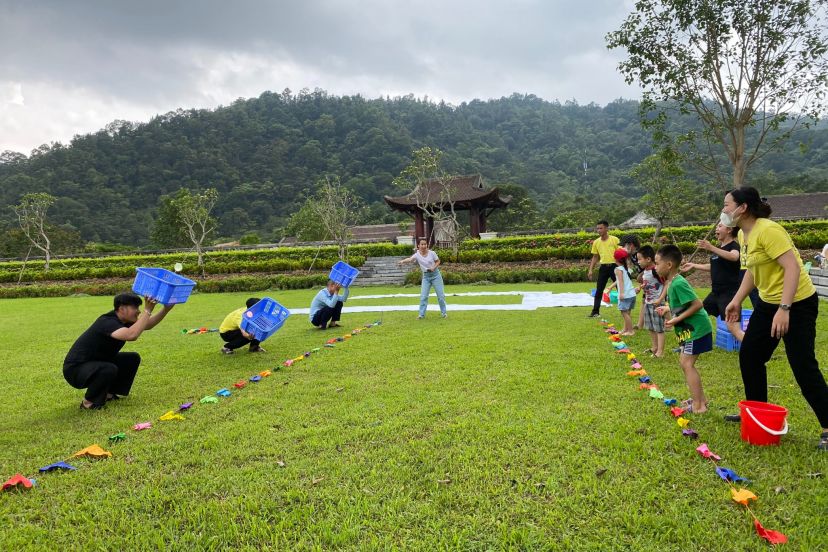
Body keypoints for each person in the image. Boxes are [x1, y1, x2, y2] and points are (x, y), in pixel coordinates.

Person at [721, 187, 828, 450]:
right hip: (769, 304)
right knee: (750, 355)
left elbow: (792, 267)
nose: (723, 211)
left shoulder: (768, 230)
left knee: (802, 365)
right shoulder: (746, 235)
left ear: (742, 207)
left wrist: (785, 308)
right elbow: (751, 272)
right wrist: (736, 299)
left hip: (797, 303)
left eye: (726, 205)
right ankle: (756, 413)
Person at [63, 292, 174, 410]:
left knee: (131, 358)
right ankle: (89, 403)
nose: (138, 311)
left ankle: (109, 394)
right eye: (135, 307)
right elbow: (132, 335)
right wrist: (148, 310)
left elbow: (147, 325)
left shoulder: (124, 321)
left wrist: (165, 310)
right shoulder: (107, 322)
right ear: (121, 309)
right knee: (108, 368)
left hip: (94, 363)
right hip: (75, 370)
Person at [655, 244, 713, 414]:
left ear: (669, 265)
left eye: (657, 263)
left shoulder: (678, 283)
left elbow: (697, 304)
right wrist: (668, 310)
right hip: (689, 331)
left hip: (697, 330)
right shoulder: (672, 282)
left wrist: (676, 319)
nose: (655, 267)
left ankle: (699, 406)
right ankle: (700, 400)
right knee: (685, 363)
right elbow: (681, 304)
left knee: (687, 363)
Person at [681, 223, 744, 341]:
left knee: (733, 327)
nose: (716, 228)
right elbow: (714, 266)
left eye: (720, 226)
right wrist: (694, 265)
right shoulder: (720, 249)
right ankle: (686, 344)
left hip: (729, 294)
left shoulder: (733, 246)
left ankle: (754, 350)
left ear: (729, 230)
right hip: (715, 293)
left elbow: (734, 257)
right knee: (696, 315)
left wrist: (711, 247)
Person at [399, 237, 448, 319]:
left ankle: (444, 313)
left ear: (427, 245)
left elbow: (438, 261)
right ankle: (421, 315)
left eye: (425, 244)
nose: (423, 246)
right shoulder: (417, 254)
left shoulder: (432, 253)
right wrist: (402, 261)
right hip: (426, 277)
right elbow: (410, 259)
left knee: (441, 296)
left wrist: (433, 267)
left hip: (436, 276)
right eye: (422, 244)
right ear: (418, 246)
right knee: (423, 296)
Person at [636, 245, 666, 357]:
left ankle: (660, 352)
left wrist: (660, 299)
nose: (638, 262)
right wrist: (640, 287)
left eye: (639, 259)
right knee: (650, 327)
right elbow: (649, 283)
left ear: (648, 259)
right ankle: (654, 347)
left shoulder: (656, 271)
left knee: (659, 328)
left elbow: (667, 283)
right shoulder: (646, 271)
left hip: (657, 303)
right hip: (648, 302)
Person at [587, 220, 620, 317]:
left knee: (620, 288)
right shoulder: (596, 242)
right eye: (597, 228)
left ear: (606, 228)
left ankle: (625, 310)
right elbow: (595, 257)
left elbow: (621, 254)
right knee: (599, 289)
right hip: (603, 267)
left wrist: (624, 267)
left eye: (601, 228)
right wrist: (590, 270)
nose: (599, 230)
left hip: (615, 266)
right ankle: (595, 312)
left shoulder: (615, 240)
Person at [613, 248, 636, 336]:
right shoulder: (625, 268)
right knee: (628, 313)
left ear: (615, 259)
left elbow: (621, 282)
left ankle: (630, 331)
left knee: (624, 313)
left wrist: (621, 293)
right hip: (631, 294)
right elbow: (620, 281)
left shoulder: (618, 269)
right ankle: (625, 329)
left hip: (625, 295)